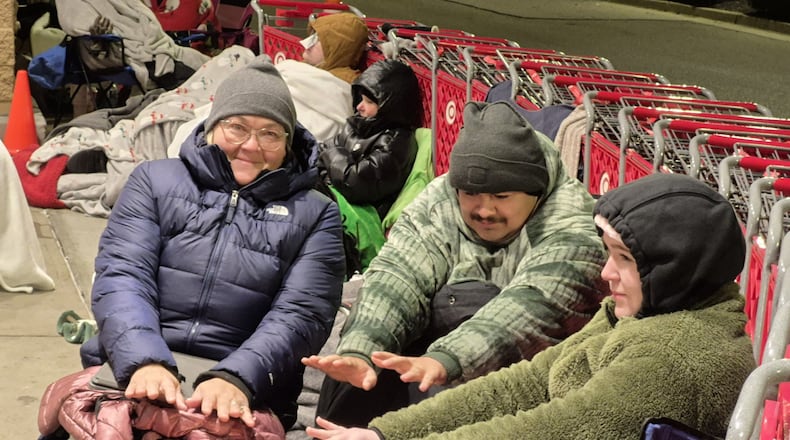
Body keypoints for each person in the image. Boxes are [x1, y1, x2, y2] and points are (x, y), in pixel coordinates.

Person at [306, 173, 757, 440]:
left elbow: (557, 428)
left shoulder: (673, 357)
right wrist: (388, 431)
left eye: (624, 259)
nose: (606, 274)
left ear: (675, 268)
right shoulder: (650, 311)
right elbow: (528, 382)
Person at [47, 57, 346, 437]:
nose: (251, 146)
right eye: (237, 127)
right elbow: (123, 276)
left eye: (271, 134)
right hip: (133, 365)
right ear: (211, 127)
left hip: (243, 388)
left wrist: (236, 377)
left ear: (288, 144)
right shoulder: (154, 182)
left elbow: (302, 313)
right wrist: (143, 361)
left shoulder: (316, 213)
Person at [303, 100, 608, 426]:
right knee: (360, 364)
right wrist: (362, 349)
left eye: (502, 197)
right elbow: (399, 273)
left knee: (467, 303)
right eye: (471, 194)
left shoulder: (574, 225)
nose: (485, 210)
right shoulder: (442, 198)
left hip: (526, 385)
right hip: (435, 357)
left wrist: (447, 360)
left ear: (535, 191)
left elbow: (534, 306)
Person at [317, 59, 422, 220]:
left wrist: (332, 155)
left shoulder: (396, 143)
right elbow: (321, 153)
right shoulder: (358, 125)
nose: (359, 106)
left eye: (369, 102)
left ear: (390, 106)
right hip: (333, 200)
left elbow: (353, 183)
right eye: (361, 99)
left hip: (358, 217)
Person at [276, 12, 369, 142]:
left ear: (336, 48)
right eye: (311, 35)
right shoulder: (299, 68)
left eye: (318, 39)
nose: (306, 43)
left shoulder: (347, 82)